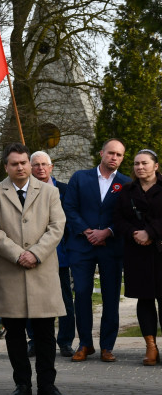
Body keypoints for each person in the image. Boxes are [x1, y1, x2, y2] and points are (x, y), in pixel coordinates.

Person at [0, 143, 67, 395]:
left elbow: (57, 226)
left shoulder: (50, 192)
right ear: (6, 166)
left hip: (42, 270)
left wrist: (36, 253)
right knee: (15, 334)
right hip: (10, 270)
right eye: (14, 163)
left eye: (23, 162)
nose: (20, 167)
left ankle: (47, 385)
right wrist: (18, 254)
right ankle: (22, 384)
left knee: (44, 333)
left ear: (29, 165)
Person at [62, 139, 130, 362]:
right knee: (81, 293)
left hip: (111, 247)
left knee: (111, 296)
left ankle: (107, 346)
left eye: (119, 155)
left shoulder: (127, 184)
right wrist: (87, 231)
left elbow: (126, 216)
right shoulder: (80, 177)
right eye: (111, 153)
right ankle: (84, 343)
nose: (114, 158)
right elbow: (69, 207)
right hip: (82, 245)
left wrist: (108, 231)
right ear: (101, 153)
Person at [114, 150, 162, 366]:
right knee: (145, 300)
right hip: (137, 253)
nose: (140, 167)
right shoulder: (127, 191)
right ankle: (150, 347)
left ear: (156, 166)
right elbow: (119, 218)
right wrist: (135, 233)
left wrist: (150, 233)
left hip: (160, 250)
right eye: (136, 164)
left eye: (144, 163)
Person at [30, 151, 74, 357]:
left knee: (64, 299)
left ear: (51, 167)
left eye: (43, 164)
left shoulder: (65, 190)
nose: (40, 168)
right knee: (32, 299)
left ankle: (65, 341)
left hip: (60, 255)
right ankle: (34, 341)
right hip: (33, 254)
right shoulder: (25, 191)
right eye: (36, 165)